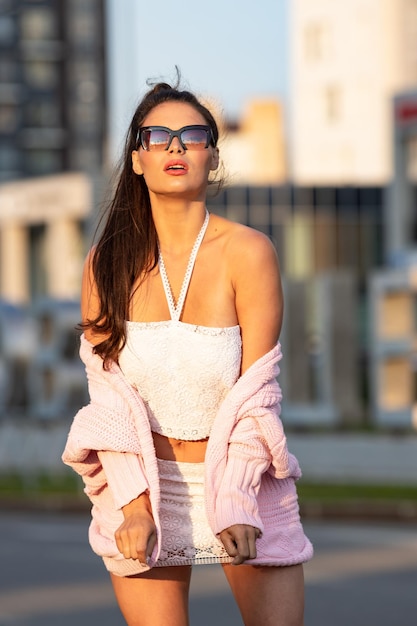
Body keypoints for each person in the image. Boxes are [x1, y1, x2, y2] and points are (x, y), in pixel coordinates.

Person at [62, 75, 313, 626]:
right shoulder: (105, 263)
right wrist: (134, 505)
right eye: (159, 136)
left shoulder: (249, 253)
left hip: (239, 480)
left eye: (192, 135)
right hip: (145, 489)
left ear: (212, 156)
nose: (176, 146)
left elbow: (256, 394)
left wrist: (239, 500)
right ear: (137, 159)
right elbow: (108, 403)